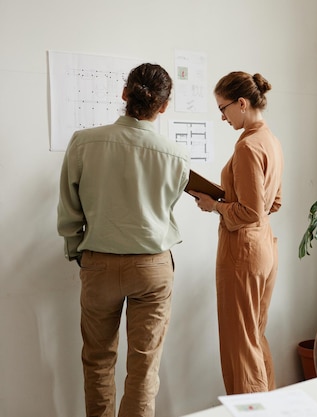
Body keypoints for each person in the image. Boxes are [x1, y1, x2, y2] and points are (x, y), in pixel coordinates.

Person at [57, 63, 190, 417]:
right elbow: (166, 207)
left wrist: (78, 252)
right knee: (144, 368)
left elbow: (69, 208)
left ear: (124, 94)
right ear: (163, 106)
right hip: (153, 267)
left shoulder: (83, 142)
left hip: (98, 262)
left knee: (98, 360)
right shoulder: (176, 155)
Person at [189, 71, 283, 394]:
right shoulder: (271, 140)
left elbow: (250, 211)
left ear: (242, 104)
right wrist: (229, 199)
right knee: (254, 337)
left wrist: (215, 206)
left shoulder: (247, 147)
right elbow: (274, 203)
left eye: (223, 108)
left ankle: (249, 411)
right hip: (264, 249)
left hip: (242, 253)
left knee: (239, 346)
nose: (222, 116)